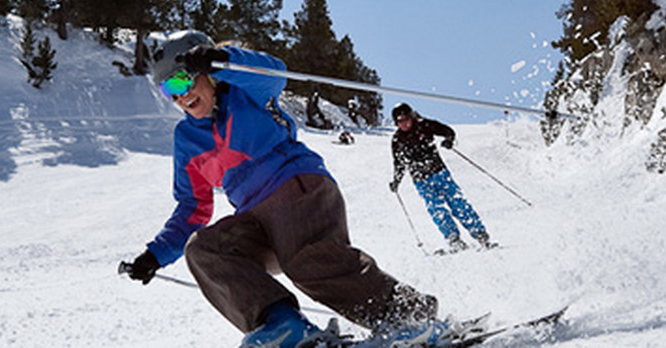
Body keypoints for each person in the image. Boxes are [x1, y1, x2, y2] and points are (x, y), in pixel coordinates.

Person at [121, 30, 450, 348]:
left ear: (206, 73)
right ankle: (281, 324)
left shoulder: (246, 92)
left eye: (182, 80)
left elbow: (275, 74)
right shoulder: (188, 141)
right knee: (204, 250)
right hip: (256, 220)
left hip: (297, 187)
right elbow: (193, 206)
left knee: (306, 260)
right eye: (169, 90)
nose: (181, 96)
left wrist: (224, 61)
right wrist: (156, 255)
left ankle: (408, 317)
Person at [388, 103, 493, 252]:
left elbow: (447, 131)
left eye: (405, 119)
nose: (403, 124)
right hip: (420, 180)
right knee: (436, 209)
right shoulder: (397, 140)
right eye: (399, 121)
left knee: (457, 203)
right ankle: (454, 239)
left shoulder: (424, 125)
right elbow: (399, 163)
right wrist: (396, 181)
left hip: (439, 173)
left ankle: (480, 235)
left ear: (411, 116)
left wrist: (449, 140)